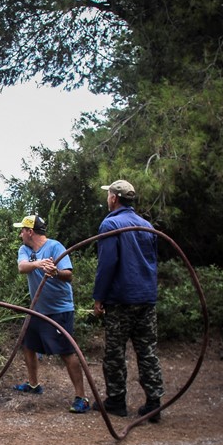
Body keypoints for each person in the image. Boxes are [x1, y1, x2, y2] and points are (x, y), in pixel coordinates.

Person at [92, 179, 163, 422]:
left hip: (121, 299)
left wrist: (98, 297)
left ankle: (116, 401)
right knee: (147, 351)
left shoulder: (110, 224)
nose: (107, 198)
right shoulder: (146, 225)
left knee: (115, 353)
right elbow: (152, 262)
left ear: (114, 198)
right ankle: (154, 404)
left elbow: (107, 264)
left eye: (108, 194)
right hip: (146, 298)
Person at [12, 215, 90, 413]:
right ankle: (33, 385)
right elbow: (22, 267)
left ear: (30, 231)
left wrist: (55, 271)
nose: (20, 233)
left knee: (66, 352)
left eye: (22, 230)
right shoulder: (25, 250)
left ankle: (81, 397)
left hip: (59, 310)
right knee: (28, 346)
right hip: (36, 309)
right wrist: (39, 264)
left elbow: (68, 275)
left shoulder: (56, 247)